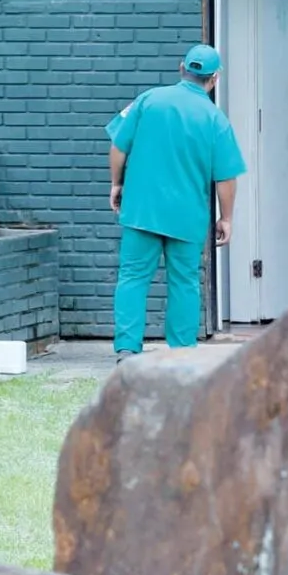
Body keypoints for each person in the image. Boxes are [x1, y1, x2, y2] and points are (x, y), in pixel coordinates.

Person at [105, 44, 246, 355]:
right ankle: (182, 353)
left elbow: (118, 146)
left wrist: (117, 184)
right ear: (215, 78)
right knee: (184, 282)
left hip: (141, 210)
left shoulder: (147, 100)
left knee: (132, 278)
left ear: (182, 68)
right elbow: (226, 177)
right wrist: (226, 218)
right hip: (187, 216)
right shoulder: (215, 119)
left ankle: (127, 350)